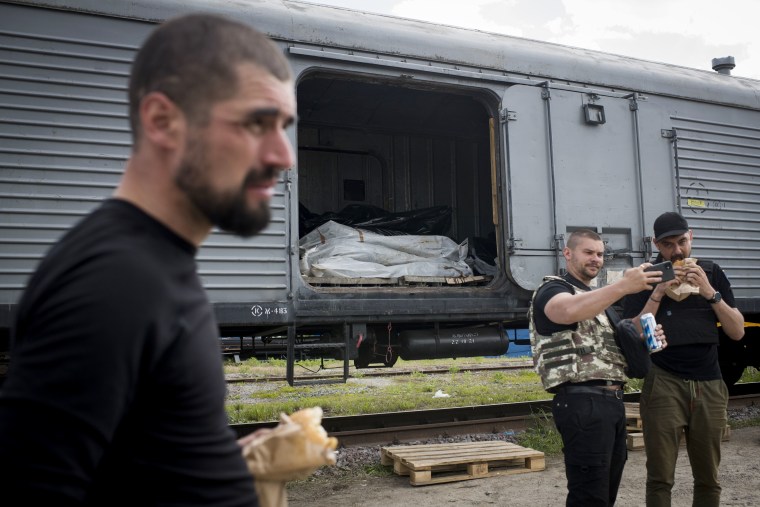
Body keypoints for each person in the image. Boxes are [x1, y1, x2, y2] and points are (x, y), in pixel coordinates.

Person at [0, 13, 295, 506]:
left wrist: (208, 462)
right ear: (162, 121)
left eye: (283, 127)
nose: (284, 155)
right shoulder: (117, 282)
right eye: (256, 123)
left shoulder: (152, 263)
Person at [529, 229, 667, 507]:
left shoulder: (597, 300)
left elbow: (627, 330)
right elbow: (565, 311)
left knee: (605, 494)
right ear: (567, 253)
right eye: (588, 252)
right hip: (583, 402)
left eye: (600, 254)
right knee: (589, 496)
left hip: (611, 404)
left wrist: (657, 296)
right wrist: (623, 286)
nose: (596, 259)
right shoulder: (553, 289)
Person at [622, 212, 745, 507]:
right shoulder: (646, 276)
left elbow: (737, 331)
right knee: (660, 477)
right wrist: (659, 291)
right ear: (656, 244)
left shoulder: (712, 272)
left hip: (710, 383)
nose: (676, 251)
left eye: (681, 242)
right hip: (664, 380)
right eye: (667, 245)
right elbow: (633, 331)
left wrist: (710, 293)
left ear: (691, 237)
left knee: (708, 477)